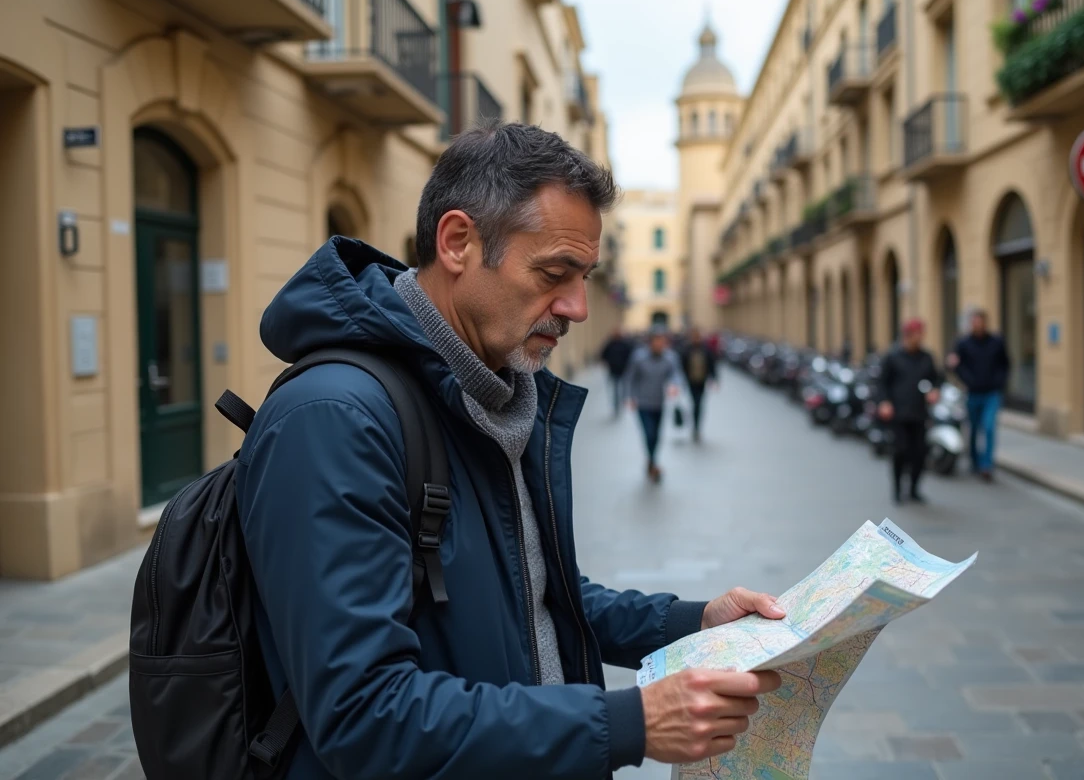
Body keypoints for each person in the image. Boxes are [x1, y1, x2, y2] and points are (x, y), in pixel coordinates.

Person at [236, 123, 784, 780]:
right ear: (459, 242)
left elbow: (535, 591)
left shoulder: (493, 388)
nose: (578, 306)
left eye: (585, 277)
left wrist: (694, 622)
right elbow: (362, 713)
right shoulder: (334, 418)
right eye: (555, 273)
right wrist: (629, 722)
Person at [877, 318, 942, 505]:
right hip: (898, 413)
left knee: (919, 453)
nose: (920, 337)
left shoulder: (926, 357)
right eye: (917, 334)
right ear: (908, 335)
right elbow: (882, 383)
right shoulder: (893, 357)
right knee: (900, 451)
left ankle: (914, 489)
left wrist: (935, 390)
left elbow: (936, 379)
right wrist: (884, 402)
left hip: (920, 413)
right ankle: (897, 489)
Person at [947, 308, 1010, 481]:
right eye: (974, 322)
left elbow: (1005, 364)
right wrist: (966, 380)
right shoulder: (963, 343)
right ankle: (974, 461)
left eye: (980, 321)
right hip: (972, 393)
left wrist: (999, 382)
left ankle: (986, 465)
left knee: (989, 428)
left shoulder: (996, 341)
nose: (977, 325)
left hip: (991, 393)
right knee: (974, 429)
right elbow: (954, 364)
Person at [625, 327, 684, 481]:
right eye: (657, 342)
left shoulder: (670, 357)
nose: (660, 345)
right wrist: (630, 397)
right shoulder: (638, 358)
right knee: (649, 433)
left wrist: (673, 385)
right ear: (650, 343)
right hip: (643, 403)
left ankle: (652, 460)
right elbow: (630, 378)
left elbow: (676, 374)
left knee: (657, 435)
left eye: (662, 342)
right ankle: (652, 462)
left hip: (659, 403)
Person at [679, 326, 718, 442]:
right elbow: (681, 365)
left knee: (699, 403)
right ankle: (695, 424)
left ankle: (696, 426)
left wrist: (714, 379)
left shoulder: (705, 349)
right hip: (691, 381)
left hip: (701, 380)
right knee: (694, 402)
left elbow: (712, 364)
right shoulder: (686, 349)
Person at [599, 326, 634, 417]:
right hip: (613, 370)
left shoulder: (625, 344)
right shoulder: (610, 344)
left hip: (623, 371)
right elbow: (603, 354)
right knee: (615, 389)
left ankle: (621, 402)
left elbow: (630, 356)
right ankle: (616, 405)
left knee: (622, 388)